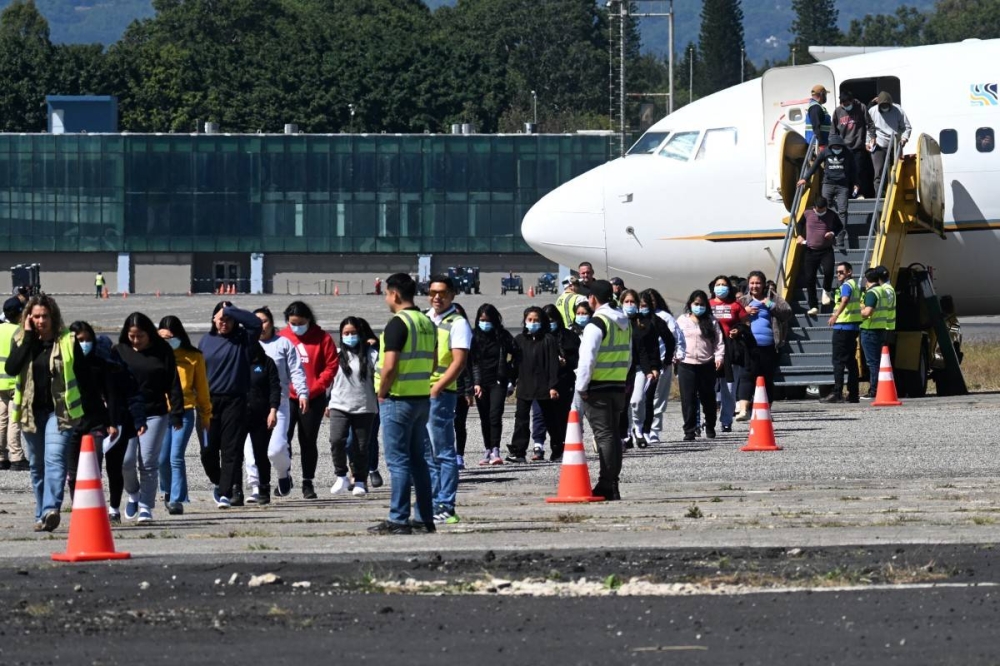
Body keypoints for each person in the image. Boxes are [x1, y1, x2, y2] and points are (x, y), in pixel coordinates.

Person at [5, 295, 92, 531]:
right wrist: (28, 336)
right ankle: (40, 514)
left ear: (53, 317)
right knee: (37, 465)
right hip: (30, 413)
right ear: (28, 318)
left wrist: (93, 411)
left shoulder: (67, 341)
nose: (41, 320)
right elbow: (11, 368)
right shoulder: (22, 339)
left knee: (54, 460)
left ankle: (51, 509)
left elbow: (84, 376)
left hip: (60, 412)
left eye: (45, 316)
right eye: (36, 316)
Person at [369, 273, 436, 535]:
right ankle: (424, 518)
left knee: (398, 462)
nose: (386, 299)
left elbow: (390, 366)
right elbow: (431, 363)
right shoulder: (426, 322)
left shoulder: (397, 323)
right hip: (421, 398)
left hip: (398, 399)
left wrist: (382, 392)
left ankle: (398, 518)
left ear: (395, 294)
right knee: (419, 461)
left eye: (386, 294)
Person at [66, 321, 145, 521]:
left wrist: (113, 422)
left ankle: (113, 508)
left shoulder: (105, 364)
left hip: (104, 422)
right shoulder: (67, 365)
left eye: (86, 340)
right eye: (78, 340)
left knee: (107, 466)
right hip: (75, 422)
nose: (82, 344)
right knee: (74, 471)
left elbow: (113, 394)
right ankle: (79, 508)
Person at [115, 312, 184, 524]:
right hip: (126, 414)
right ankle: (133, 493)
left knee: (148, 462)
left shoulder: (163, 351)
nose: (135, 341)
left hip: (155, 412)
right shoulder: (119, 351)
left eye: (140, 336)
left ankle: (146, 506)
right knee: (125, 461)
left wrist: (177, 412)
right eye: (131, 336)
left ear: (150, 334)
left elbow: (173, 383)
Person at [199, 301, 262, 508]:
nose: (224, 322)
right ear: (213, 320)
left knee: (230, 449)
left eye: (229, 319)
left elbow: (255, 324)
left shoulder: (243, 339)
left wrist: (230, 309)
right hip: (208, 401)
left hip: (235, 400)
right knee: (208, 450)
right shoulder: (206, 341)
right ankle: (219, 481)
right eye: (220, 318)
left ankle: (226, 492)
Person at [421, 275, 472, 524]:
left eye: (441, 293)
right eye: (432, 292)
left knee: (443, 452)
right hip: (418, 392)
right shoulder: (424, 318)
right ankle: (430, 501)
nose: (436, 297)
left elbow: (459, 361)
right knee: (426, 453)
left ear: (452, 294)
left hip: (439, 394)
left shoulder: (458, 323)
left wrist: (437, 388)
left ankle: (446, 503)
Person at [244, 307, 308, 501]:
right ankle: (256, 487)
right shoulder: (245, 346)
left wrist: (303, 393)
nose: (260, 326)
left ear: (271, 323)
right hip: (251, 406)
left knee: (276, 449)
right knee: (251, 450)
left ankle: (283, 474)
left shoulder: (283, 344)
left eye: (263, 321)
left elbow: (296, 371)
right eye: (255, 322)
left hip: (278, 404)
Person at [575, 280, 630, 500]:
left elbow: (587, 359)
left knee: (605, 437)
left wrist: (582, 387)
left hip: (597, 388)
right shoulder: (623, 321)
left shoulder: (596, 324)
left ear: (593, 299)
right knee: (614, 436)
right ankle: (612, 482)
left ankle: (607, 483)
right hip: (617, 386)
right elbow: (629, 355)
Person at [280, 301, 337, 499]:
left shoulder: (323, 338)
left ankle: (307, 482)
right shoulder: (282, 336)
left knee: (308, 441)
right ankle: (283, 476)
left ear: (309, 320)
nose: (297, 327)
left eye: (301, 323)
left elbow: (331, 367)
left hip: (313, 398)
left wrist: (315, 389)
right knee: (282, 441)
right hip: (287, 398)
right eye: (293, 323)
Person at [157, 316, 211, 515]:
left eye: (169, 338)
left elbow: (202, 389)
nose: (166, 342)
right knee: (162, 459)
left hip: (186, 411)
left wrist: (206, 415)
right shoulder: (155, 356)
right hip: (162, 413)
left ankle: (177, 499)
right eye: (161, 338)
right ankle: (168, 491)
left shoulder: (193, 357)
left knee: (176, 456)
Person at [327, 316, 379, 498]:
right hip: (339, 405)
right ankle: (341, 474)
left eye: (353, 333)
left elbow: (380, 377)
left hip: (365, 406)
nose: (350, 336)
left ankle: (359, 480)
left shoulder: (372, 354)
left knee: (362, 446)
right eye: (346, 333)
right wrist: (326, 403)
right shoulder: (336, 354)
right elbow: (329, 380)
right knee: (336, 440)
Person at [508, 307, 562, 464]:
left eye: (536, 320)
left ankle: (558, 450)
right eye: (529, 320)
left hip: (544, 386)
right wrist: (511, 382)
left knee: (550, 419)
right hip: (525, 386)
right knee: (521, 420)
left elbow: (553, 365)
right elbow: (514, 364)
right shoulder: (519, 340)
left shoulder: (548, 340)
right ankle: (519, 451)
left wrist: (553, 386)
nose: (532, 323)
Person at [736, 272, 792, 417]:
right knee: (747, 376)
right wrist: (745, 312)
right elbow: (733, 317)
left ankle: (765, 410)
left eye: (758, 283)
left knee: (767, 378)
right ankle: (743, 410)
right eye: (752, 283)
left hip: (769, 345)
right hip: (748, 346)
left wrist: (769, 305)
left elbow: (787, 313)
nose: (755, 286)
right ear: (748, 284)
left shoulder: (773, 297)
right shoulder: (743, 301)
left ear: (764, 284)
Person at [470, 303, 518, 466]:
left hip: (498, 381)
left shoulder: (502, 336)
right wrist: (475, 383)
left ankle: (496, 449)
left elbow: (516, 354)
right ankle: (487, 449)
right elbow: (473, 362)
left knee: (495, 415)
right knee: (484, 417)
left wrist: (511, 376)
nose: (485, 323)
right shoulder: (474, 336)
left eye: (488, 320)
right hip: (481, 383)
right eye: (482, 320)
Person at [676, 291, 724, 441]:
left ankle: (710, 425)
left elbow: (719, 342)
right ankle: (689, 430)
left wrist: (719, 357)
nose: (699, 307)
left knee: (708, 398)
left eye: (702, 304)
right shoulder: (682, 321)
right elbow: (675, 339)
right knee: (688, 399)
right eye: (696, 304)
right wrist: (674, 356)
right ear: (690, 304)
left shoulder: (712, 321)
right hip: (686, 364)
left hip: (706, 364)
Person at [641, 288, 685, 444]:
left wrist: (673, 358)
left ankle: (654, 430)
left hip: (661, 364)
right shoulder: (637, 318)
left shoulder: (664, 318)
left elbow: (675, 338)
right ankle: (640, 429)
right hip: (642, 365)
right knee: (641, 399)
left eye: (652, 301)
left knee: (658, 399)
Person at [618, 289, 659, 448]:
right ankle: (625, 433)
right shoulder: (618, 322)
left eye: (632, 302)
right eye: (626, 302)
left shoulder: (646, 323)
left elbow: (653, 347)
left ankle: (639, 429)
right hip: (622, 368)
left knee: (637, 400)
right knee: (623, 403)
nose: (629, 305)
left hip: (642, 367)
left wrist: (654, 367)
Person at [708, 276, 749, 433]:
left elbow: (746, 324)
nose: (720, 287)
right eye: (718, 285)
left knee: (729, 389)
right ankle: (708, 420)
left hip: (731, 351)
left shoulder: (735, 306)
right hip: (709, 352)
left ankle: (726, 421)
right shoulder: (708, 305)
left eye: (724, 285)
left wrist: (738, 330)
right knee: (708, 389)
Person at [797, 135, 856, 242]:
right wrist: (805, 178)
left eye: (839, 147)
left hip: (843, 185)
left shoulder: (848, 153)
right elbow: (815, 165)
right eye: (835, 148)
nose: (837, 150)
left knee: (842, 210)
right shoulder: (825, 152)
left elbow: (854, 169)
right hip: (828, 184)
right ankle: (827, 232)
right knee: (826, 209)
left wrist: (856, 183)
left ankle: (840, 234)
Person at [244, 340, 280, 506]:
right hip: (239, 414)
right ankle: (236, 489)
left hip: (261, 414)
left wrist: (273, 410)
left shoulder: (267, 362)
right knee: (236, 454)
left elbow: (274, 388)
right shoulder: (236, 362)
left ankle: (264, 488)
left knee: (260, 454)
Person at [542, 303, 578, 461]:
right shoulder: (540, 338)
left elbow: (578, 359)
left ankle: (564, 445)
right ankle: (555, 445)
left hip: (565, 380)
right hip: (545, 382)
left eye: (552, 320)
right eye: (547, 320)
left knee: (563, 415)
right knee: (548, 417)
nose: (550, 323)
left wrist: (566, 361)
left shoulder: (570, 337)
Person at [796, 196, 842, 316]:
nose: (820, 212)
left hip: (826, 250)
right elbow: (799, 224)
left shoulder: (832, 214)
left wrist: (832, 233)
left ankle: (826, 291)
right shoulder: (807, 212)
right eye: (818, 210)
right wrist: (800, 235)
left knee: (828, 270)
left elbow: (839, 226)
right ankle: (813, 305)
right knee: (810, 278)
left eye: (822, 210)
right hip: (810, 250)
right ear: (814, 207)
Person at [823, 262, 862, 403]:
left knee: (838, 361)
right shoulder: (855, 285)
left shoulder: (846, 286)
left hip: (843, 327)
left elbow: (844, 300)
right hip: (852, 327)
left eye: (841, 272)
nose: (838, 275)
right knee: (851, 361)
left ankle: (837, 393)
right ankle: (853, 393)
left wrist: (835, 316)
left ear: (849, 272)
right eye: (837, 272)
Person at [860, 265, 896, 399]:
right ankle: (878, 388)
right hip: (883, 327)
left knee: (873, 362)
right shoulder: (885, 290)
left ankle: (874, 390)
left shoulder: (875, 292)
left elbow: (868, 311)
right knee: (880, 361)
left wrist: (857, 311)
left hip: (872, 329)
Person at [0, 296, 27, 471]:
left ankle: (1, 457)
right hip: (14, 382)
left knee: (1, 419)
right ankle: (16, 456)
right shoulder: (19, 332)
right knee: (14, 420)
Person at [867, 91, 912, 194]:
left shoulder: (898, 110)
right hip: (879, 144)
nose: (884, 107)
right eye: (882, 105)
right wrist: (868, 142)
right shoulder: (872, 111)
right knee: (878, 172)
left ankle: (895, 194)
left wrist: (904, 138)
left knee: (896, 171)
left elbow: (907, 127)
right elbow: (868, 128)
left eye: (886, 105)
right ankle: (879, 194)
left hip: (895, 144)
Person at [831, 90, 871, 198]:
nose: (845, 106)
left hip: (858, 146)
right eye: (843, 104)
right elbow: (833, 131)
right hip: (844, 148)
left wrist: (870, 139)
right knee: (844, 172)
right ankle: (847, 195)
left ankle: (859, 194)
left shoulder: (861, 108)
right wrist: (834, 145)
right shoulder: (837, 112)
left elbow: (870, 124)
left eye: (847, 104)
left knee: (858, 171)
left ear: (852, 101)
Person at [806, 84, 832, 151]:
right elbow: (816, 126)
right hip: (816, 145)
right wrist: (821, 144)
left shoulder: (817, 106)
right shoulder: (815, 107)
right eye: (825, 94)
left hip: (819, 143)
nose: (826, 97)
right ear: (821, 94)